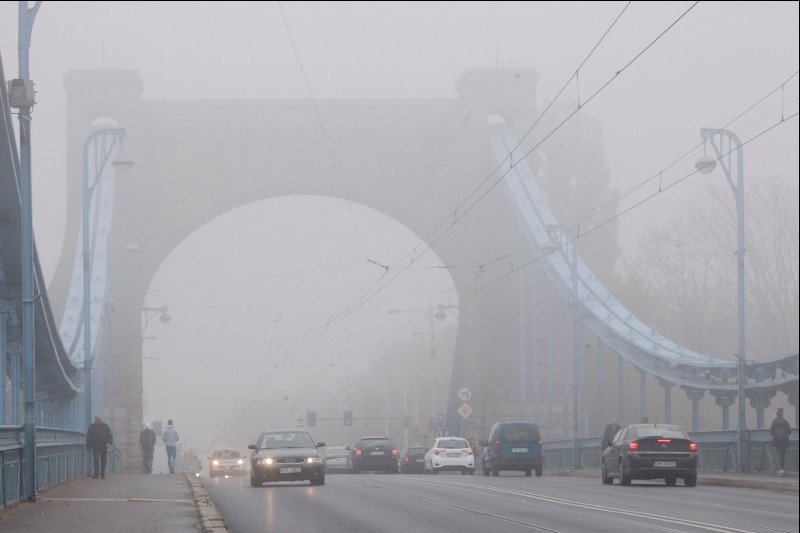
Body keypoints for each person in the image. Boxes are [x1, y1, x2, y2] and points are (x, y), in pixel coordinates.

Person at [86, 415, 113, 479]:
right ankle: (96, 474)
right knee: (96, 460)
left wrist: (109, 443)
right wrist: (88, 446)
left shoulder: (106, 426)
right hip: (95, 446)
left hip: (104, 446)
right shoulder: (91, 427)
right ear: (95, 420)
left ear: (101, 419)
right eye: (96, 419)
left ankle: (102, 474)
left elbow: (110, 436)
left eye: (99, 419)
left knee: (103, 460)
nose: (97, 420)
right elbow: (88, 437)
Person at [769, 407, 791, 476]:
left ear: (776, 414)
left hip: (777, 440)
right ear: (782, 414)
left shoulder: (774, 422)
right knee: (783, 454)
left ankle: (781, 470)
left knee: (779, 454)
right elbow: (789, 432)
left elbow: (771, 432)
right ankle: (783, 469)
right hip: (784, 440)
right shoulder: (786, 422)